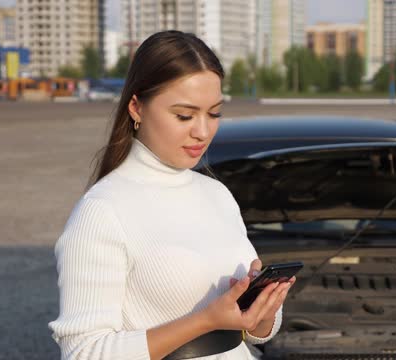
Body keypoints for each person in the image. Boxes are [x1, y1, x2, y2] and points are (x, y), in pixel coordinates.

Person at [48, 30, 295, 360]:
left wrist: (262, 314)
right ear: (136, 107)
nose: (203, 131)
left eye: (214, 113)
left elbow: (254, 335)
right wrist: (205, 322)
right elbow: (83, 352)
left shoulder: (217, 194)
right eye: (184, 115)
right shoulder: (102, 211)